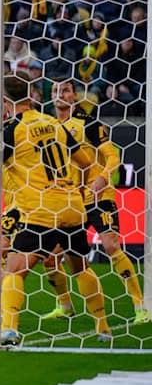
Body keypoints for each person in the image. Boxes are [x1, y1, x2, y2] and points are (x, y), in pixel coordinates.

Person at [0, 73, 108, 346]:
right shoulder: (54, 123)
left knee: (14, 270)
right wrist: (78, 186)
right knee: (81, 268)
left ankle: (8, 329)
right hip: (71, 206)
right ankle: (103, 328)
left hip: (40, 211)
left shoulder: (15, 129)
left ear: (7, 101)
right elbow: (86, 161)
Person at [43, 80, 149, 324]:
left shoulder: (88, 123)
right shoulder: (48, 127)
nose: (60, 95)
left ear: (74, 96)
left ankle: (140, 307)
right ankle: (65, 306)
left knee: (111, 246)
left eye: (65, 90)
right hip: (68, 201)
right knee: (50, 256)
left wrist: (103, 177)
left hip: (97, 196)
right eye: (55, 91)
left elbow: (113, 155)